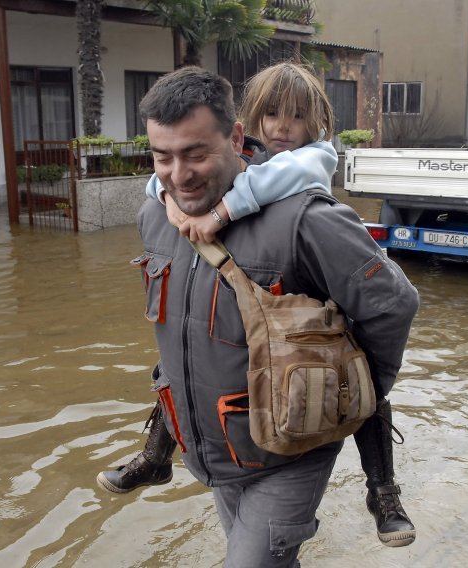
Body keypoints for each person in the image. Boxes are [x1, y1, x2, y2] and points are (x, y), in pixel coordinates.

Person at [99, 64, 419, 565]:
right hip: (214, 452)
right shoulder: (156, 215)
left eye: (196, 154)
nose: (179, 174)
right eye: (163, 157)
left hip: (290, 452)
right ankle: (154, 457)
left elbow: (393, 304)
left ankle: (383, 490)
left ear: (234, 136)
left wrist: (355, 391)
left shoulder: (307, 218)